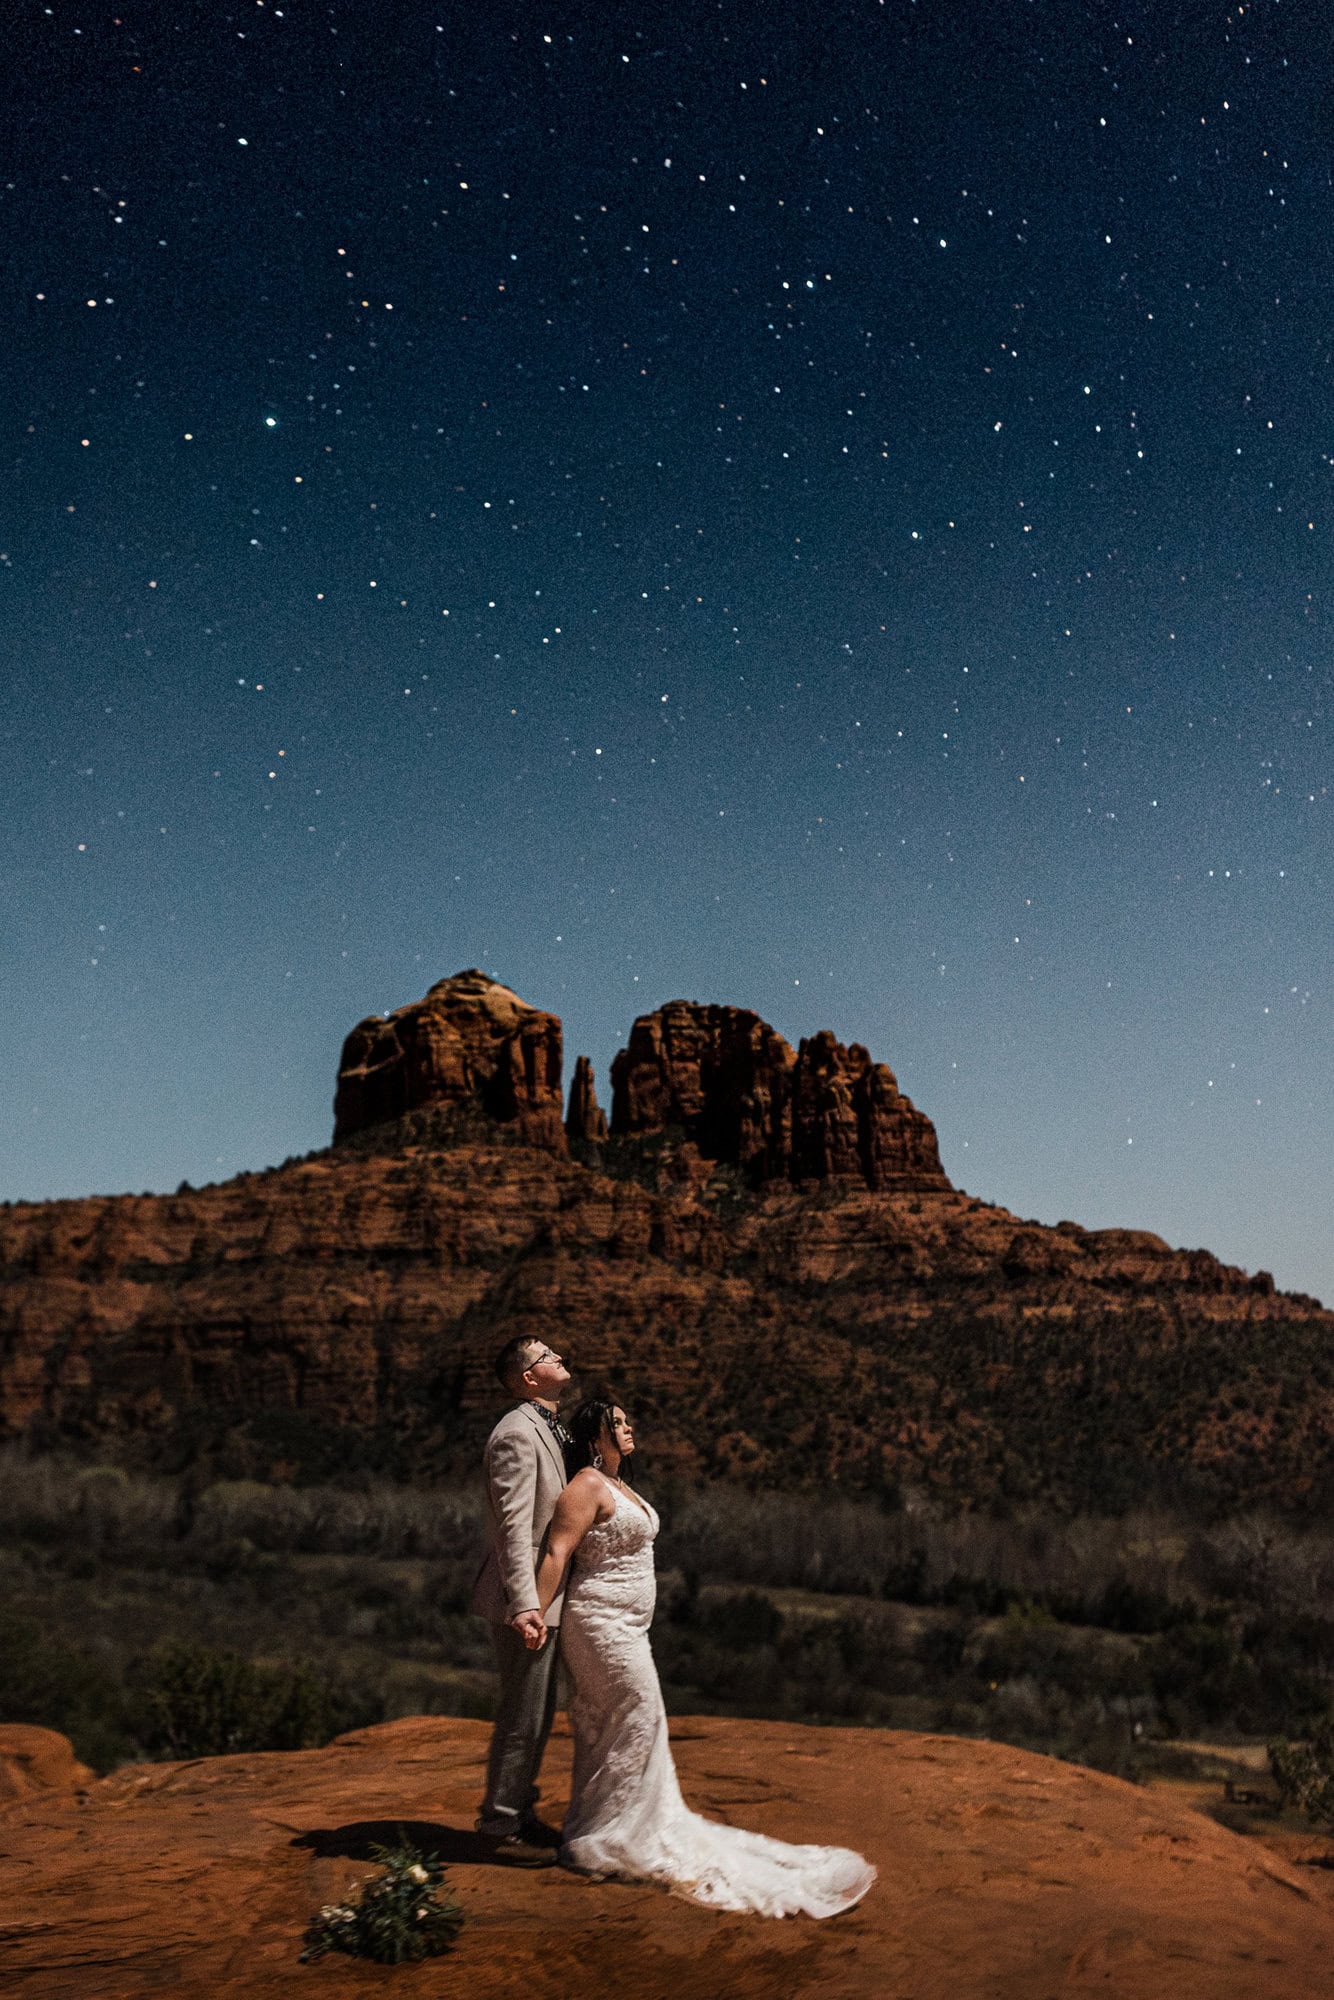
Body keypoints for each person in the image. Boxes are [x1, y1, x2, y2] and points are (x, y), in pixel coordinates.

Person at [531, 1397, 876, 1917]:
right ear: (593, 1436)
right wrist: (533, 1612)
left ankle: (605, 1824)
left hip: (630, 1625)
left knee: (620, 1722)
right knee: (635, 1716)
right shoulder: (586, 1486)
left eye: (626, 1421)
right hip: (598, 1624)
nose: (627, 1429)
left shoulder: (621, 1486)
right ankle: (614, 1832)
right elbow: (557, 1551)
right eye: (616, 1423)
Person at [470, 1334, 572, 1863]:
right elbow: (512, 1528)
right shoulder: (515, 1434)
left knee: (537, 1710)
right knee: (522, 1713)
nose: (559, 1356)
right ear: (528, 1377)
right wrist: (524, 1604)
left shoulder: (548, 1426)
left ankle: (519, 1810)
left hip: (544, 1592)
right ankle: (499, 1826)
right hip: (527, 1593)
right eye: (546, 1355)